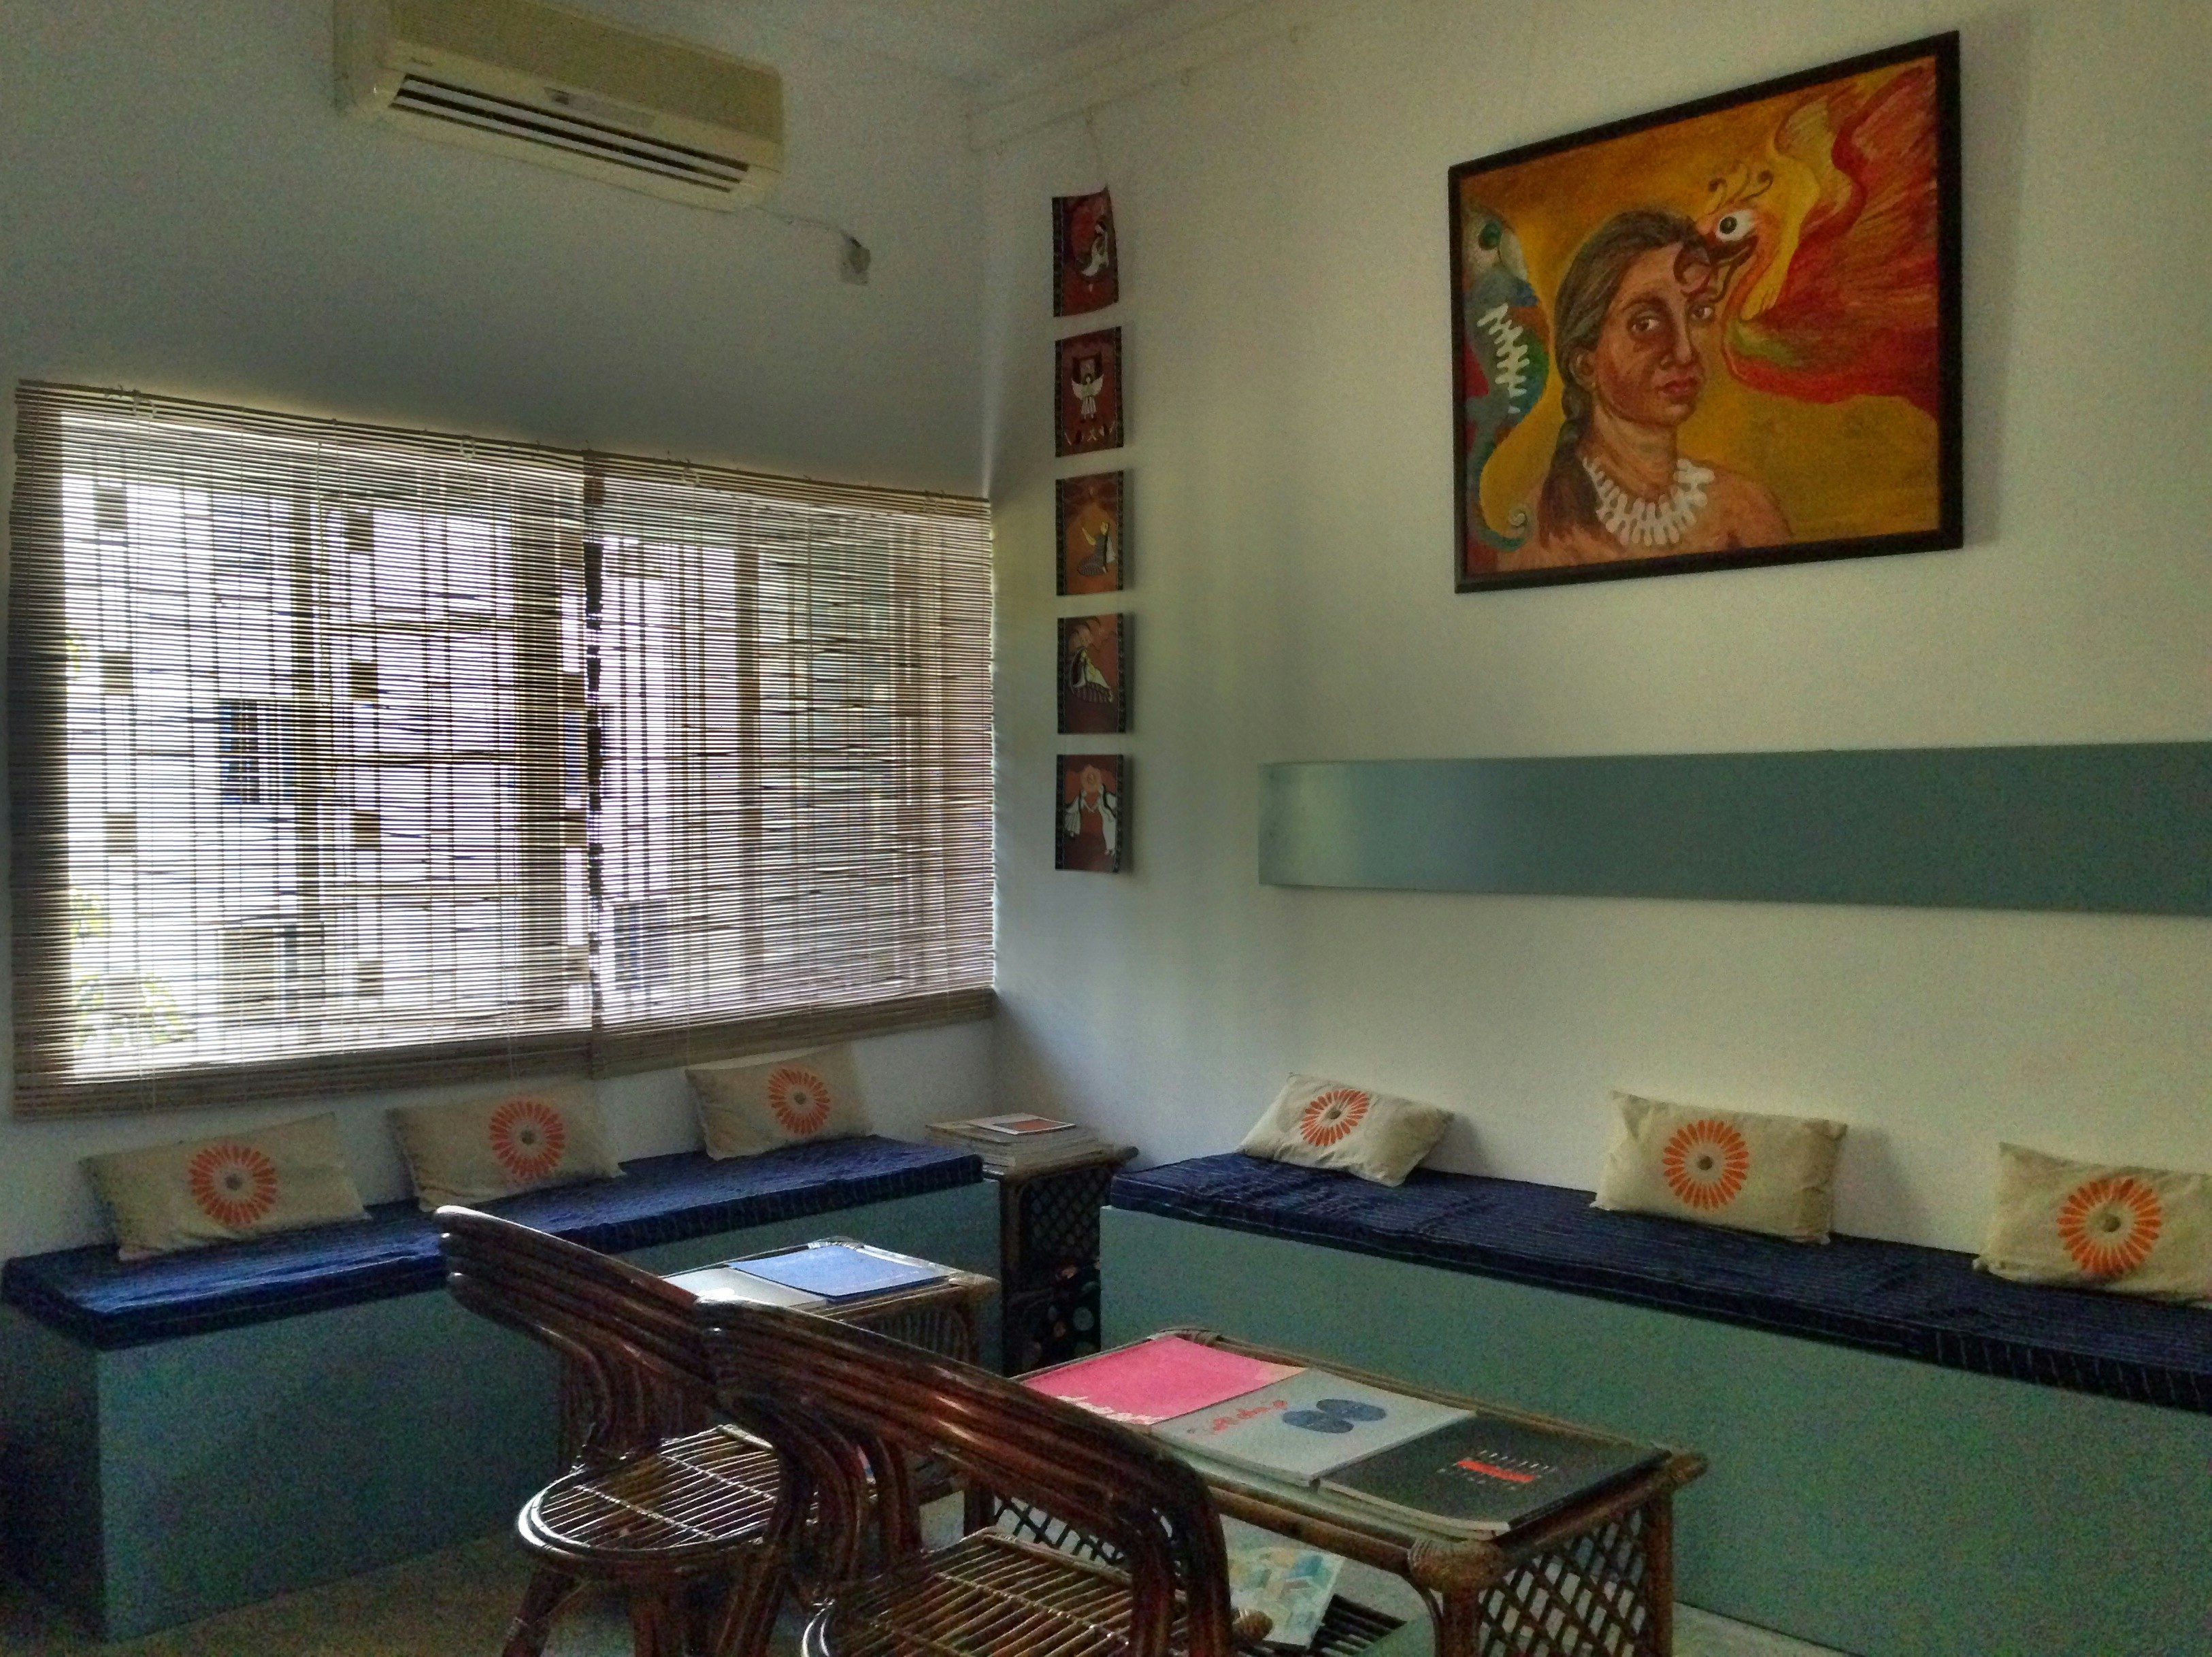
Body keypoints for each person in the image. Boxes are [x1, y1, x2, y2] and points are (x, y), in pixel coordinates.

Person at [1511, 208, 1788, 569]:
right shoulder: (1540, 529)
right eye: (1646, 323)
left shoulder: (1745, 509)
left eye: (1700, 313)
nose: (1685, 351)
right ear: (1585, 364)